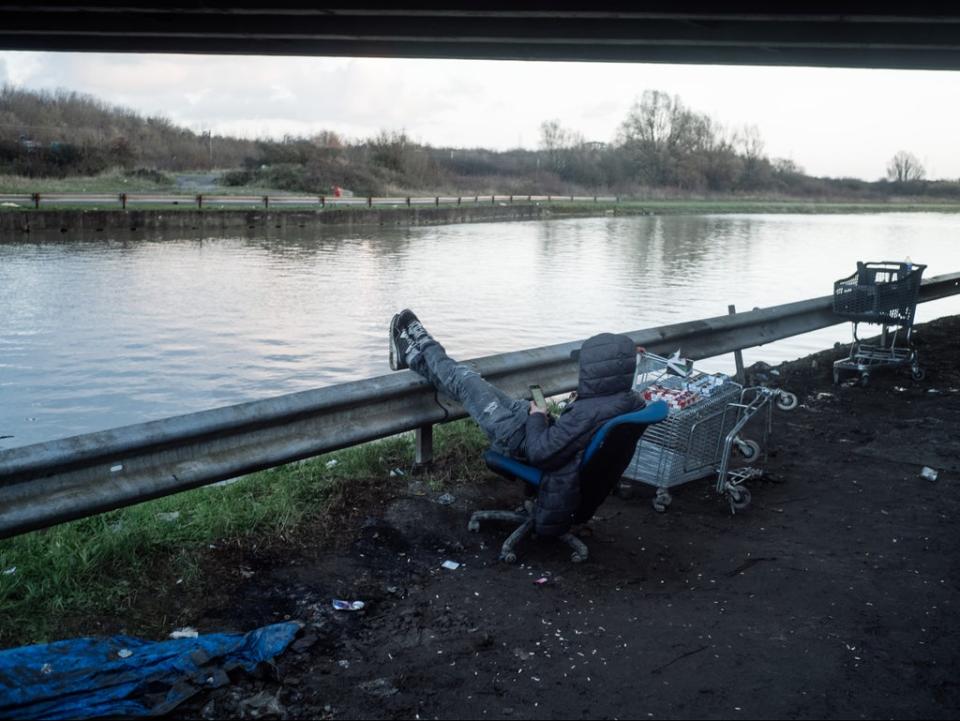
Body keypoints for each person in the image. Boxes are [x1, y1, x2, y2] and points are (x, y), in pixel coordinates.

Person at [389, 309, 645, 536]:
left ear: (598, 373)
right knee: (468, 382)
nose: (581, 371)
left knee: (464, 381)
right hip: (540, 430)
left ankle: (422, 342)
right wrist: (547, 413)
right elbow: (574, 435)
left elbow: (540, 453)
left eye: (585, 367)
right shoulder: (627, 401)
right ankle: (413, 355)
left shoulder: (589, 413)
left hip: (520, 439)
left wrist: (537, 416)